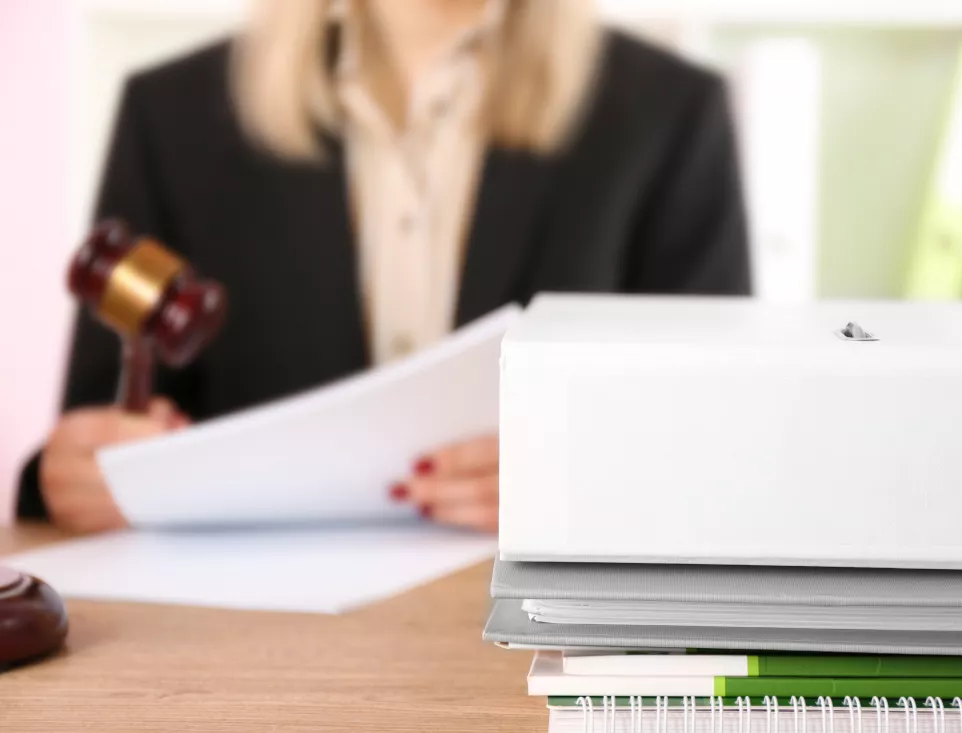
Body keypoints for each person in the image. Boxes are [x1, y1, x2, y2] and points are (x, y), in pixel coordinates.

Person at [17, 0, 752, 534]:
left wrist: (591, 483)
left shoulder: (670, 116)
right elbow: (98, 430)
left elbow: (720, 444)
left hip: (528, 637)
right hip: (255, 656)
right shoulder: (170, 116)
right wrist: (72, 476)